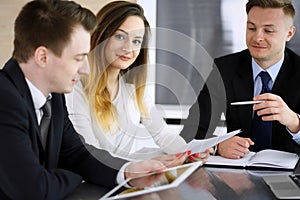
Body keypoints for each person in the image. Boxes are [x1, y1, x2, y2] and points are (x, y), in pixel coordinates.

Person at [0, 1, 190, 199]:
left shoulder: (53, 97)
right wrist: (73, 176)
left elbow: (76, 154)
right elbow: (35, 189)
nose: (86, 69)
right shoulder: (4, 100)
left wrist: (127, 173)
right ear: (43, 57)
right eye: (78, 58)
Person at [65, 1, 201, 160]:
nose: (128, 48)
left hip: (123, 174)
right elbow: (92, 154)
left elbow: (163, 135)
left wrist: (190, 152)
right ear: (101, 36)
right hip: (96, 178)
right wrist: (151, 160)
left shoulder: (133, 88)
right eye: (120, 36)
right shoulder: (75, 88)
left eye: (136, 41)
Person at [181, 0, 300, 159]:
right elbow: (191, 131)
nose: (257, 37)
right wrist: (217, 146)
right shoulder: (225, 69)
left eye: (268, 31)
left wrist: (295, 123)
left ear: (289, 34)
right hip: (237, 174)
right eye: (251, 28)